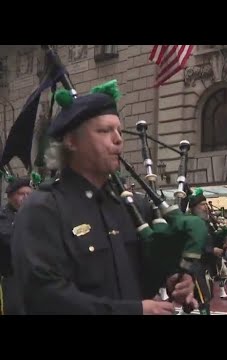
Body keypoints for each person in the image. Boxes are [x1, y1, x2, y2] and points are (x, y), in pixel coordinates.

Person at [11, 80, 196, 315]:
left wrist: (176, 278)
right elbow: (45, 297)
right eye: (104, 131)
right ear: (71, 141)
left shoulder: (132, 207)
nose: (118, 139)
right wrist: (133, 311)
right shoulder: (42, 210)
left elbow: (147, 273)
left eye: (118, 130)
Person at [0, 177, 32, 314]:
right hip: (12, 277)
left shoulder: (36, 214)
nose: (26, 197)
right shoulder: (3, 217)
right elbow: (11, 238)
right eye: (21, 194)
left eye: (29, 194)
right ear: (10, 197)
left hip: (35, 276)